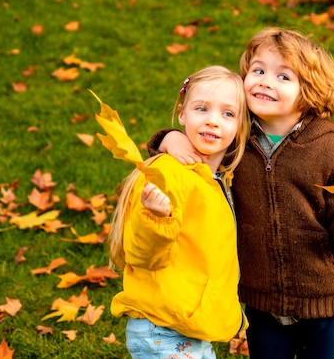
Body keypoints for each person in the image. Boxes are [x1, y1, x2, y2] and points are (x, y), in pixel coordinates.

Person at [147, 27, 334, 359]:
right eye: (258, 71)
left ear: (309, 92)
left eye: (282, 76)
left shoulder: (329, 150)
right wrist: (168, 139)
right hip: (261, 297)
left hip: (323, 296)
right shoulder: (236, 141)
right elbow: (200, 144)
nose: (265, 81)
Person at [106, 66, 250, 359]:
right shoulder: (167, 174)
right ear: (182, 114)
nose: (213, 121)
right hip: (164, 328)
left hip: (188, 325)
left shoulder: (217, 179)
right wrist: (156, 219)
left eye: (228, 114)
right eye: (202, 108)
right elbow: (141, 255)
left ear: (240, 126)